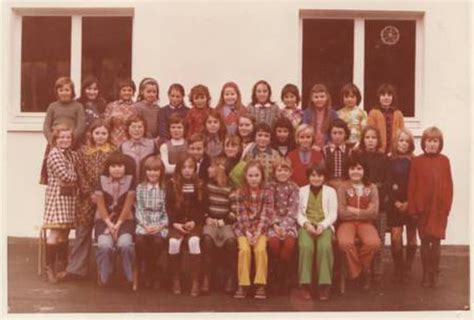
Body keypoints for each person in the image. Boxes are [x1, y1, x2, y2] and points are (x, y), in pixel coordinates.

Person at [57, 119, 116, 282]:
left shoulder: (113, 151)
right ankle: (76, 269)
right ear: (91, 134)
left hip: (106, 199)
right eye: (97, 133)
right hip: (86, 198)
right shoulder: (83, 152)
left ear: (108, 134)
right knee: (82, 232)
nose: (100, 136)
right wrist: (89, 192)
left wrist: (103, 194)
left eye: (104, 133)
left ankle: (104, 271)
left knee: (104, 233)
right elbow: (80, 174)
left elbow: (114, 174)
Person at [407, 126, 453, 288]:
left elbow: (449, 185)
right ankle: (426, 273)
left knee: (437, 241)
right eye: (429, 140)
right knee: (425, 241)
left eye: (435, 141)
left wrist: (447, 207)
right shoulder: (417, 161)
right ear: (424, 142)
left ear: (440, 143)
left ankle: (435, 272)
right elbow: (412, 186)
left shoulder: (444, 161)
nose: (432, 144)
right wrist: (413, 208)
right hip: (423, 209)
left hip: (439, 209)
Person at [42, 123, 80, 283]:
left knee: (64, 232)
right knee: (55, 232)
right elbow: (67, 176)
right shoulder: (55, 154)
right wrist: (75, 176)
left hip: (69, 197)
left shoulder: (71, 154)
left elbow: (77, 169)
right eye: (62, 137)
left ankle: (62, 266)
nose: (65, 140)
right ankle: (49, 267)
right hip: (57, 197)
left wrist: (75, 175)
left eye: (68, 137)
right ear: (55, 139)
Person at [336, 156, 381, 290]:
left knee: (374, 243)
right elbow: (342, 212)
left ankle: (359, 271)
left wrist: (353, 210)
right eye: (352, 169)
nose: (355, 171)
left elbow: (374, 213)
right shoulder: (343, 187)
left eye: (359, 168)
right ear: (347, 171)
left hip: (366, 224)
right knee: (345, 243)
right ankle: (361, 272)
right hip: (346, 224)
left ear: (364, 170)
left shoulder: (371, 187)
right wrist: (363, 211)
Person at [353, 126, 390, 286]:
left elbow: (387, 181)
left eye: (373, 138)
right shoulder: (358, 157)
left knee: (379, 240)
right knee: (365, 241)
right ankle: (364, 271)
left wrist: (377, 189)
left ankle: (377, 272)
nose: (370, 141)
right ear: (363, 140)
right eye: (367, 137)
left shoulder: (383, 158)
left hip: (379, 206)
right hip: (362, 206)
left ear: (378, 141)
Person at [94, 152, 136, 288]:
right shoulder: (101, 180)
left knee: (125, 245)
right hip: (104, 220)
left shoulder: (131, 180)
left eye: (120, 166)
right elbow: (100, 205)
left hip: (125, 220)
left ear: (125, 167)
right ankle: (104, 274)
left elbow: (128, 205)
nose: (117, 169)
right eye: (113, 166)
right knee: (105, 246)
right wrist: (109, 224)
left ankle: (127, 274)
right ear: (108, 167)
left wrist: (117, 225)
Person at [232, 161, 274, 299]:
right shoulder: (240, 193)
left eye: (256, 175)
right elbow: (241, 215)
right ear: (246, 176)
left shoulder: (267, 193)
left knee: (260, 249)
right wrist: (248, 232)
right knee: (244, 250)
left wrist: (257, 233)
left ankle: (261, 284)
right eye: (250, 175)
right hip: (244, 229)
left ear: (262, 176)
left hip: (261, 229)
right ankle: (243, 284)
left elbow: (266, 215)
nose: (254, 178)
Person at [166, 156, 207, 297]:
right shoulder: (171, 184)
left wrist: (194, 221)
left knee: (194, 241)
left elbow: (203, 209)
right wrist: (175, 223)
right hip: (176, 223)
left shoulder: (200, 184)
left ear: (195, 169)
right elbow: (167, 208)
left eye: (190, 167)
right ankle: (175, 278)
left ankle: (195, 280)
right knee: (173, 243)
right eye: (184, 167)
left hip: (194, 223)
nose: (187, 170)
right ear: (179, 169)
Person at [297, 163, 337, 301]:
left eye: (319, 175)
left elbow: (333, 214)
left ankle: (324, 285)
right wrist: (306, 224)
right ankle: (305, 285)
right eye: (313, 175)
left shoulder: (331, 191)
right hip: (306, 226)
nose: (316, 178)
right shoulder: (301, 191)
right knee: (306, 247)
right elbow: (297, 213)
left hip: (323, 226)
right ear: (308, 177)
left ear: (324, 177)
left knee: (324, 247)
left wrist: (322, 225)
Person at [201, 157, 237, 294]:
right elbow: (203, 205)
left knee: (231, 242)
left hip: (225, 223)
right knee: (207, 240)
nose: (208, 169)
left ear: (219, 170)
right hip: (210, 220)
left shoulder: (231, 188)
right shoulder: (207, 185)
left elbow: (234, 211)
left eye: (211, 167)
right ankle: (206, 278)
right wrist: (206, 217)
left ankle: (230, 278)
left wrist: (225, 221)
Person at [40, 77, 86, 185]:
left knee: (73, 171)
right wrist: (52, 141)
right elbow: (46, 126)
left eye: (67, 90)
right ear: (57, 92)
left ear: (72, 91)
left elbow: (81, 126)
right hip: (55, 143)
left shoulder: (78, 106)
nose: (64, 93)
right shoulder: (52, 106)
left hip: (73, 143)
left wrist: (70, 140)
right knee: (55, 172)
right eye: (61, 90)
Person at [387, 128, 418, 283]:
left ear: (410, 144)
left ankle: (408, 266)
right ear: (395, 142)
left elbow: (418, 184)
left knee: (412, 238)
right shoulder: (389, 160)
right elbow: (387, 183)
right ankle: (398, 267)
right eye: (401, 140)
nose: (403, 144)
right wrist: (396, 202)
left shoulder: (415, 161)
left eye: (407, 141)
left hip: (411, 204)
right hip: (395, 204)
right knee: (396, 238)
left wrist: (409, 202)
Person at [134, 156, 168, 289]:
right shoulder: (140, 188)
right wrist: (145, 226)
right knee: (140, 241)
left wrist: (160, 226)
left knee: (158, 241)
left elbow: (166, 210)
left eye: (156, 170)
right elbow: (138, 209)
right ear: (145, 172)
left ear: (161, 172)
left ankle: (152, 268)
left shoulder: (164, 188)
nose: (152, 173)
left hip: (159, 223)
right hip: (144, 223)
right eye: (149, 170)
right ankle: (146, 267)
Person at [267, 159, 299, 294]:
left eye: (285, 170)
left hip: (289, 223)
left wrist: (284, 227)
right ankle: (275, 275)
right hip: (272, 223)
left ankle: (285, 275)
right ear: (274, 172)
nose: (282, 173)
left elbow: (293, 209)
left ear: (290, 172)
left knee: (289, 244)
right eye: (279, 170)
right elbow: (269, 207)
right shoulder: (270, 187)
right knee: (273, 243)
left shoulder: (294, 187)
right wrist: (275, 225)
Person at [367, 83, 405, 154]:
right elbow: (370, 133)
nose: (386, 97)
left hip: (394, 152)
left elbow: (402, 133)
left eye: (389, 95)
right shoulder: (373, 113)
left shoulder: (398, 114)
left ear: (393, 97)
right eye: (383, 95)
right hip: (377, 152)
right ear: (378, 97)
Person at [118, 115, 158, 180]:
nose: (136, 130)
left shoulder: (152, 144)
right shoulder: (122, 147)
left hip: (147, 184)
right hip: (129, 185)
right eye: (133, 127)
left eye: (140, 127)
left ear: (144, 129)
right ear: (128, 129)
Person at [301, 83, 338, 150]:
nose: (319, 99)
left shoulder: (333, 113)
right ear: (312, 98)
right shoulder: (307, 113)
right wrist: (311, 145)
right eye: (316, 97)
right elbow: (304, 130)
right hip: (311, 146)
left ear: (327, 97)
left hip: (328, 146)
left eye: (322, 97)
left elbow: (336, 130)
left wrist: (330, 143)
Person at [104, 79, 137, 146]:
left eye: (129, 90)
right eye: (124, 90)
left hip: (130, 140)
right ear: (119, 91)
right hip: (113, 139)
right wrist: (111, 118)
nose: (127, 92)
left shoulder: (136, 106)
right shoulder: (111, 105)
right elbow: (105, 124)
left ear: (133, 92)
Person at [322, 118, 353, 191]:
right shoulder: (325, 150)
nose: (337, 136)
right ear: (330, 134)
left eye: (340, 133)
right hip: (328, 184)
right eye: (334, 133)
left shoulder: (350, 151)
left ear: (345, 134)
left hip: (345, 184)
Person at [336, 83, 367, 148]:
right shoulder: (338, 114)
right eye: (346, 97)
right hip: (342, 145)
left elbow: (365, 131)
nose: (349, 99)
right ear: (342, 98)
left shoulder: (362, 113)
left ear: (357, 98)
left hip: (357, 144)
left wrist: (360, 144)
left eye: (352, 96)